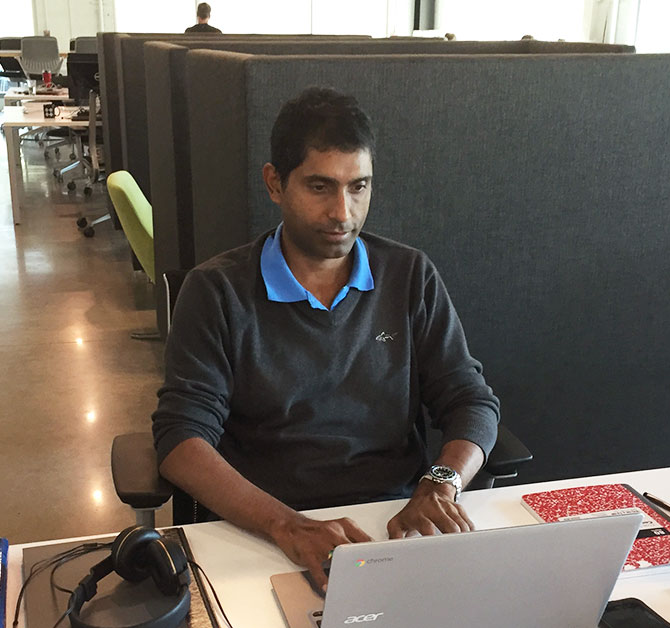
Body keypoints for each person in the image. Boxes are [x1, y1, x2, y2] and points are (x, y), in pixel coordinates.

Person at [152, 87, 499, 590]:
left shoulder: (409, 275)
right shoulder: (218, 290)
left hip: (396, 522)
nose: (343, 212)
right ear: (275, 183)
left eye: (359, 187)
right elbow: (180, 439)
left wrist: (440, 484)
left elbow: (471, 399)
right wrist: (286, 525)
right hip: (266, 530)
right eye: (320, 187)